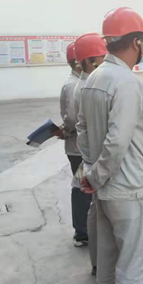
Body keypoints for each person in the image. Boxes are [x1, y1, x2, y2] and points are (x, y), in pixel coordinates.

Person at [77, 7, 143, 284]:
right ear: (137, 42)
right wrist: (96, 176)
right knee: (134, 270)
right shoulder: (125, 81)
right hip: (130, 190)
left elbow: (83, 130)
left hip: (108, 191)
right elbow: (117, 141)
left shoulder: (95, 77)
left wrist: (91, 172)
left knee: (110, 264)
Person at [72, 32, 107, 276]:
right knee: (99, 213)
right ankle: (99, 262)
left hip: (92, 158)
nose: (104, 62)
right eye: (100, 58)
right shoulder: (87, 87)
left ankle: (97, 261)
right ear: (88, 62)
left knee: (97, 212)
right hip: (97, 159)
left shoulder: (87, 84)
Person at [58, 42, 85, 246]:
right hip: (78, 147)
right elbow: (72, 119)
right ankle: (82, 232)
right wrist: (65, 131)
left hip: (78, 145)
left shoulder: (76, 82)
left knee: (82, 186)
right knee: (81, 187)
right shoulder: (73, 84)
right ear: (77, 62)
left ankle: (84, 229)